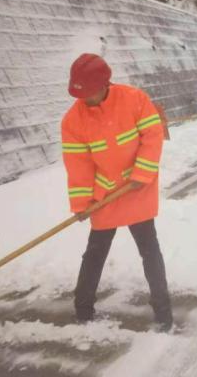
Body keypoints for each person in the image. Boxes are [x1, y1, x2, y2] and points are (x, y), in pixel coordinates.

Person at [61, 53, 173, 331]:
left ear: (104, 83)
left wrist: (142, 173)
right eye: (81, 95)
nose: (85, 100)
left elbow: (152, 136)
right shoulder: (73, 120)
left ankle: (163, 311)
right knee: (95, 253)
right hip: (105, 196)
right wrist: (82, 202)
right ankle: (83, 310)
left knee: (150, 249)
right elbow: (79, 165)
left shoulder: (134, 99)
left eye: (89, 93)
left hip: (137, 189)